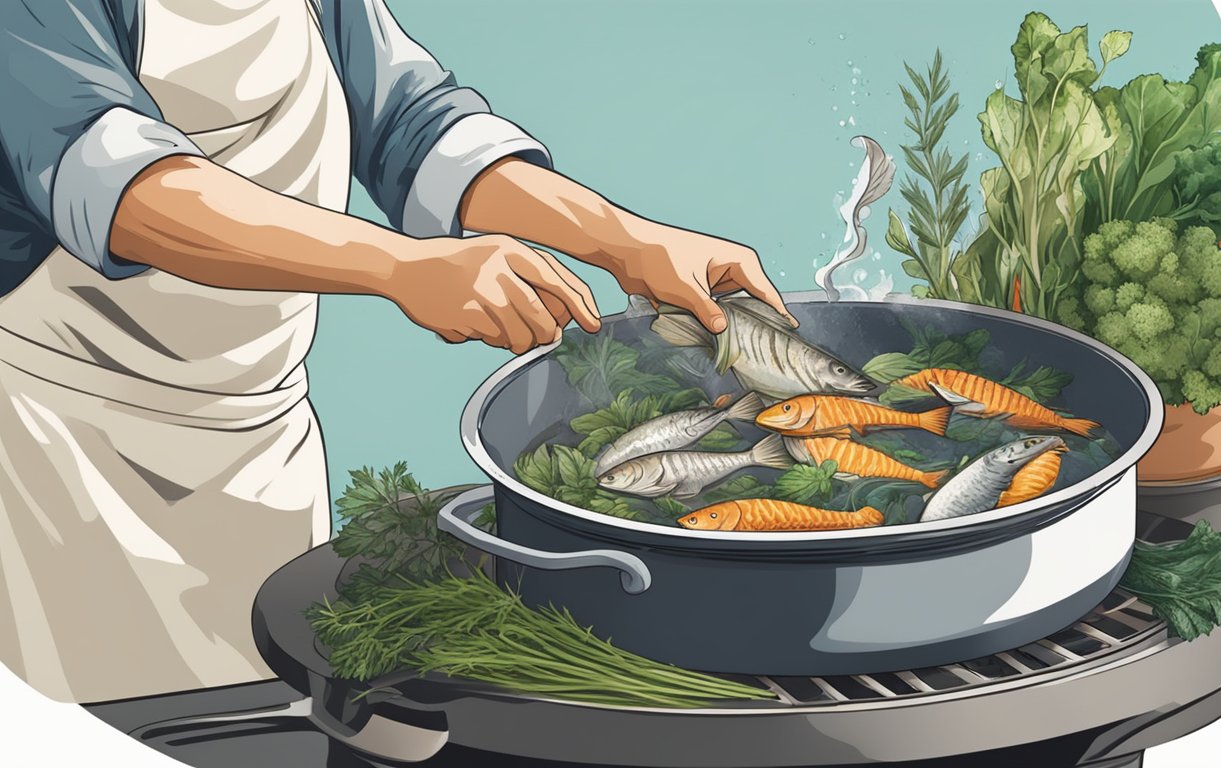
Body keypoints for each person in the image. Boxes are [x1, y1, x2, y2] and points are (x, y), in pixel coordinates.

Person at [0, 0, 792, 704]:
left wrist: (627, 241)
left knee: (275, 707)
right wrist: (401, 267)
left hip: (260, 441)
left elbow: (420, 131)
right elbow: (131, 196)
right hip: (67, 453)